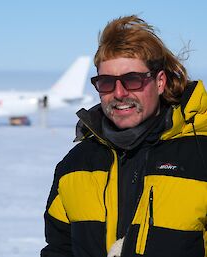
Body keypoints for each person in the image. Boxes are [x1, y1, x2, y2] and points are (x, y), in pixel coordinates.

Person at [40, 15, 207, 257]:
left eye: (133, 80)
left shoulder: (200, 153)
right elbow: (59, 249)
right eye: (107, 82)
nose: (119, 93)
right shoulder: (75, 166)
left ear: (160, 82)